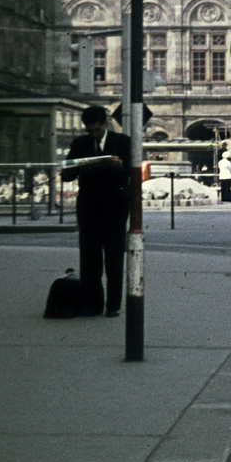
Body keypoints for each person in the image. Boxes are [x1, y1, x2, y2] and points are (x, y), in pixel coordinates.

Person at [62, 106, 131, 317]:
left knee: (113, 257)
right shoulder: (80, 143)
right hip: (89, 206)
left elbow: (133, 170)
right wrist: (79, 166)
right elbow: (66, 174)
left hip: (115, 206)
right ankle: (92, 305)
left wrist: (120, 165)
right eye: (90, 130)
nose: (94, 134)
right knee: (90, 257)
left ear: (106, 124)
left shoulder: (122, 142)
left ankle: (113, 305)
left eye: (97, 130)